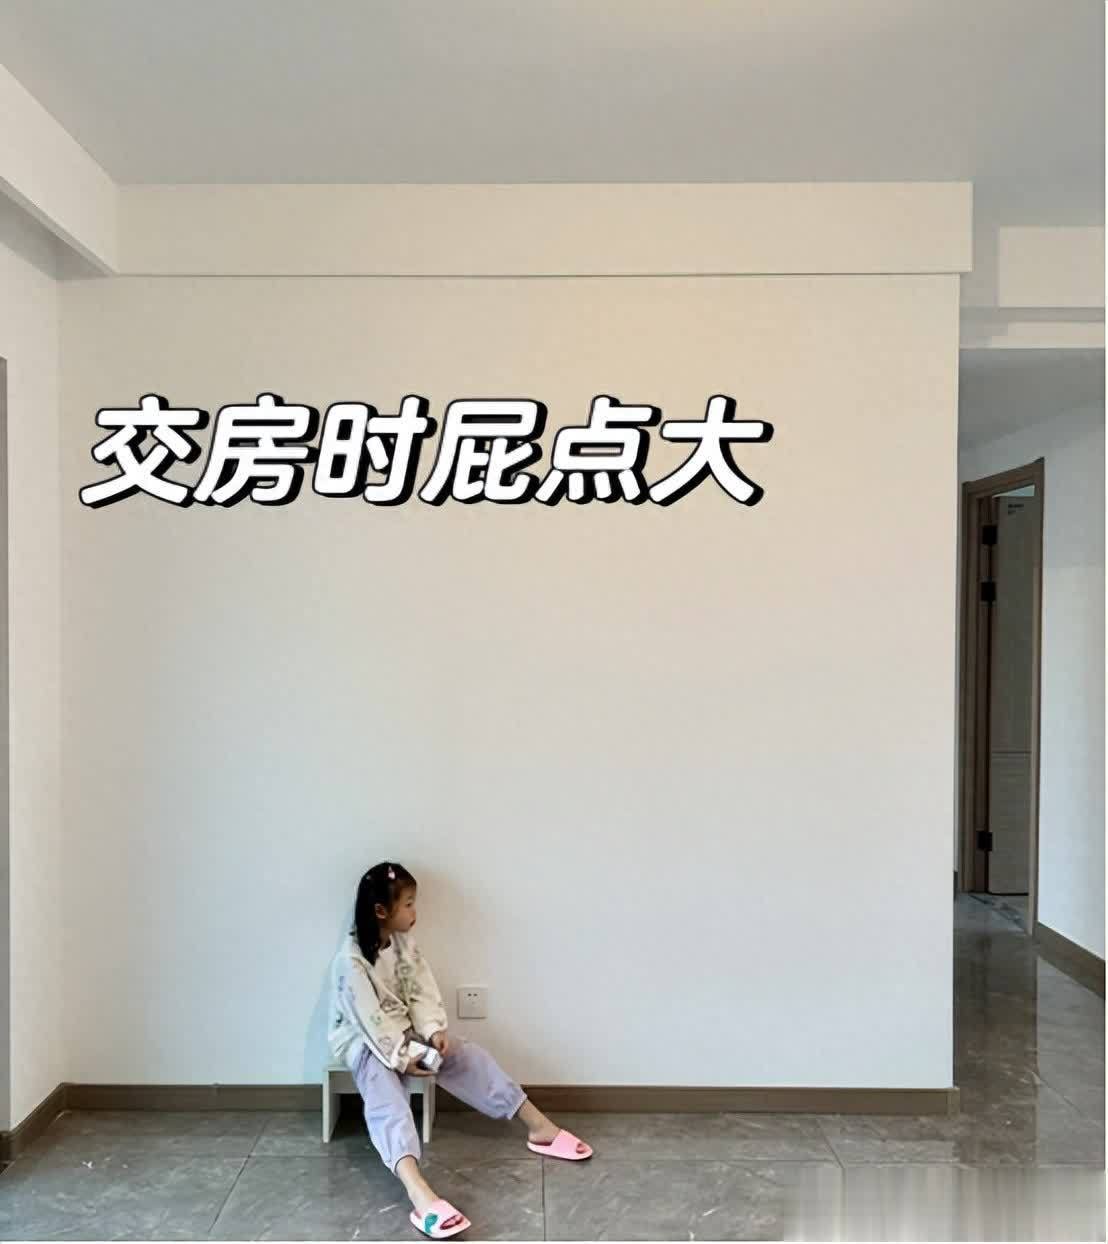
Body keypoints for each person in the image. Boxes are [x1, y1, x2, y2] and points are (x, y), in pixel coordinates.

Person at [330, 861, 592, 1240]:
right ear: (381, 911)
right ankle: (419, 1192)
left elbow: (421, 991)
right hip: (364, 1040)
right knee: (385, 1094)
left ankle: (539, 1127)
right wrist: (402, 1056)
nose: (415, 912)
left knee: (465, 1055)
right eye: (408, 905)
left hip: (403, 1030)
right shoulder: (350, 961)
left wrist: (433, 1030)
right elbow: (369, 1020)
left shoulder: (403, 945)